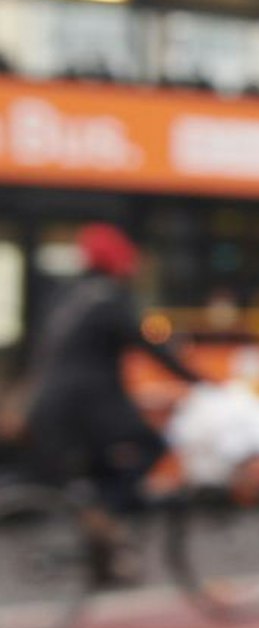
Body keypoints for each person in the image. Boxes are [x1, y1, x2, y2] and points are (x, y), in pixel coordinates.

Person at [24, 223, 201, 575]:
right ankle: (104, 522)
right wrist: (200, 380)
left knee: (105, 468)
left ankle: (105, 561)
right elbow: (151, 347)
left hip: (50, 406)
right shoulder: (111, 299)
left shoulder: (67, 295)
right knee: (152, 443)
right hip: (86, 406)